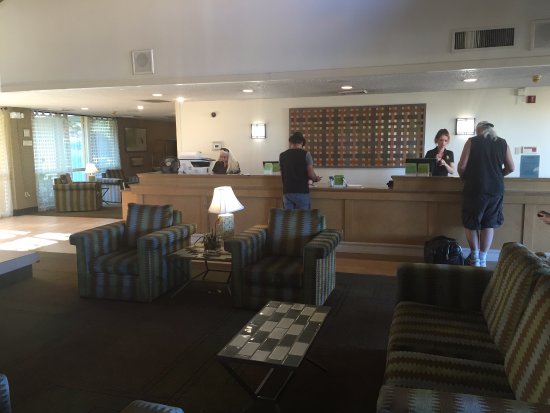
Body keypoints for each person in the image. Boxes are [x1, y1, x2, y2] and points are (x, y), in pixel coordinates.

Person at [457, 121, 515, 267]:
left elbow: (462, 165)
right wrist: (497, 175)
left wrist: (463, 176)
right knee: (489, 223)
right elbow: (511, 167)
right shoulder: (503, 143)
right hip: (495, 189)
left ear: (479, 130)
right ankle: (483, 259)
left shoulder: (472, 141)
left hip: (475, 187)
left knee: (471, 222)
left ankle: (474, 257)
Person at [279, 131, 321, 209]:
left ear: (291, 142)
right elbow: (310, 173)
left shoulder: (282, 155)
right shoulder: (306, 154)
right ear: (302, 142)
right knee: (303, 216)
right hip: (302, 191)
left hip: (287, 191)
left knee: (288, 216)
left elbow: (282, 174)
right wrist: (315, 179)